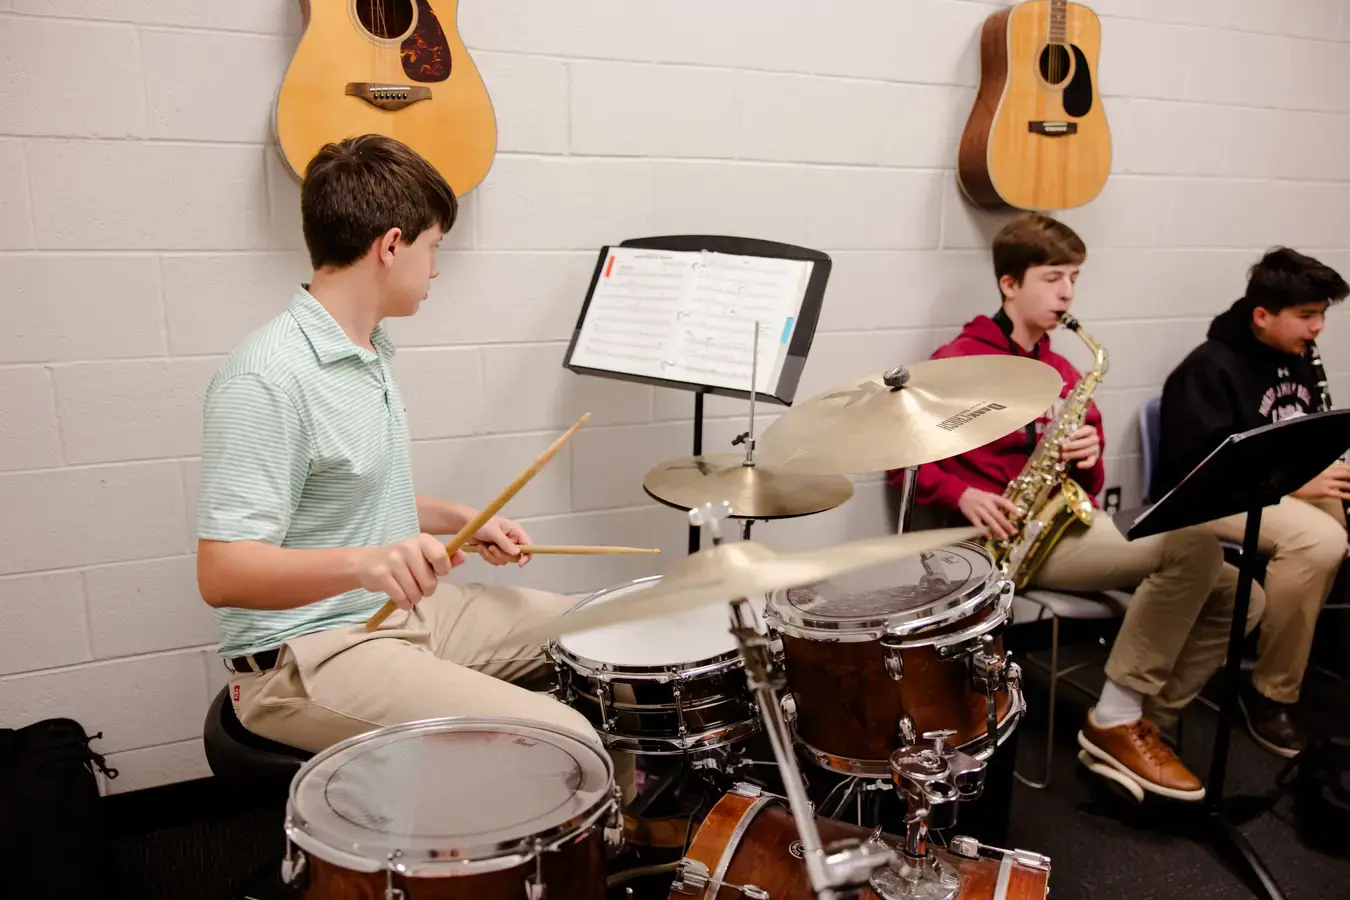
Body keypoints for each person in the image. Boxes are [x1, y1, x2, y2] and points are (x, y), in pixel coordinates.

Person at [195, 134, 634, 799]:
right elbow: (223, 571)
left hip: (396, 614)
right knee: (565, 738)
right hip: (305, 655)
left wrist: (459, 518)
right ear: (391, 245)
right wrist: (367, 564)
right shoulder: (268, 378)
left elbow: (344, 490)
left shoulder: (368, 347)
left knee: (605, 633)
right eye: (434, 247)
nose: (437, 269)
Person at [892, 213, 1263, 802]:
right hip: (993, 542)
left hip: (1059, 526)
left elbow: (1089, 487)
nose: (1067, 292)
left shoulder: (1065, 371)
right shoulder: (960, 360)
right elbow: (904, 460)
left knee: (1244, 595)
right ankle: (1115, 719)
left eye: (1074, 278)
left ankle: (1141, 717)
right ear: (1010, 284)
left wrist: (1089, 455)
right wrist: (963, 492)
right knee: (1191, 545)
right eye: (1052, 277)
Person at [1155, 247, 1350, 758]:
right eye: (1307, 316)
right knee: (1320, 542)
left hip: (1279, 490)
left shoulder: (1299, 357)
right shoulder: (1207, 368)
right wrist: (1297, 482)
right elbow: (1197, 469)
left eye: (1322, 315)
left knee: (1333, 530)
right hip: (1213, 497)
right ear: (1262, 315)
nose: (1318, 328)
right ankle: (1269, 694)